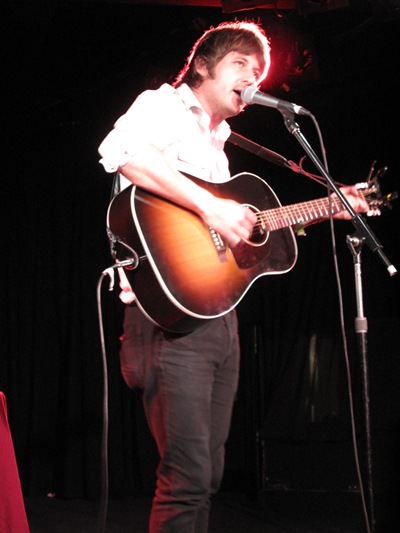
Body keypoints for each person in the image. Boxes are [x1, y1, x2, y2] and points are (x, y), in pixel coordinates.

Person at [98, 20, 370, 532]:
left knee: (209, 475)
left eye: (259, 71)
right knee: (187, 478)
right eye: (240, 64)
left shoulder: (218, 141)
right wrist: (212, 207)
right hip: (166, 319)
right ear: (202, 66)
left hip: (217, 316)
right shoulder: (164, 105)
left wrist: (328, 209)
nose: (252, 77)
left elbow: (235, 233)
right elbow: (124, 152)